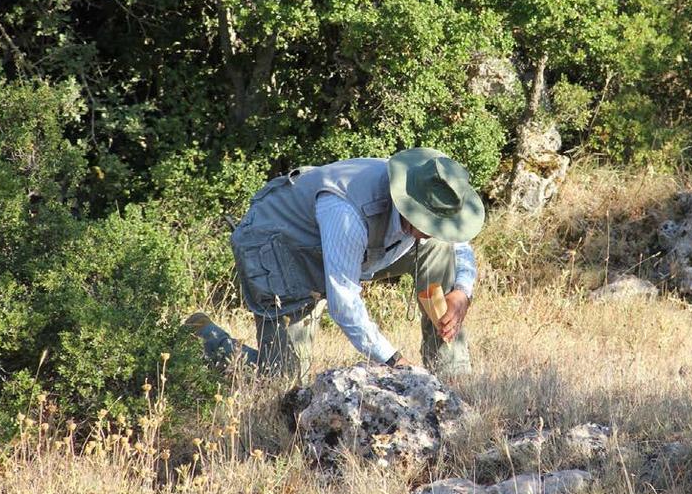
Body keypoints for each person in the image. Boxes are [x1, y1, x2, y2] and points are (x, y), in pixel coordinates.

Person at [187, 147, 484, 384]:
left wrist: (462, 293)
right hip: (279, 246)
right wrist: (394, 362)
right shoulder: (345, 210)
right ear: (407, 204)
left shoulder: (435, 194)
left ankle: (451, 375)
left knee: (438, 248)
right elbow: (343, 304)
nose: (433, 229)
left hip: (357, 248)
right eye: (427, 222)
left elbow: (457, 244)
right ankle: (203, 336)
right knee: (283, 381)